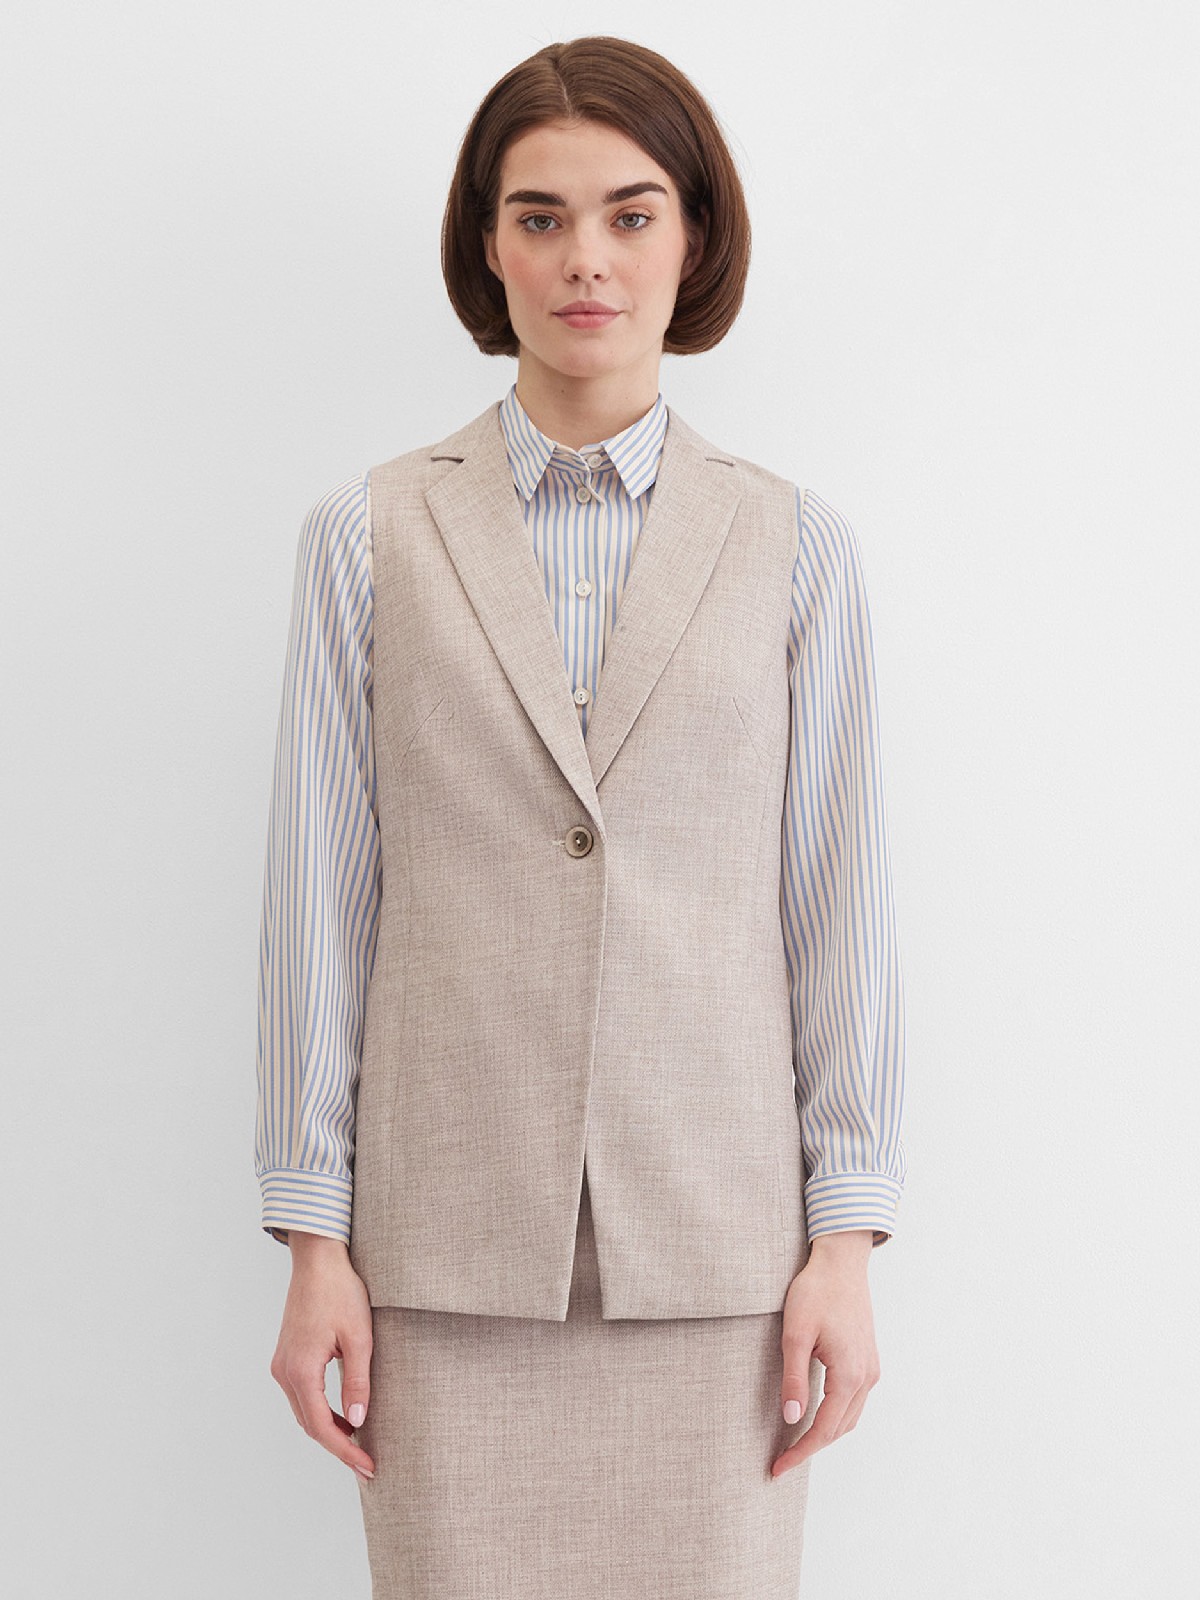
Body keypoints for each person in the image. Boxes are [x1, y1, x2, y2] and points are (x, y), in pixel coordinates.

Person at [255, 34, 907, 1599]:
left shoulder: (798, 548)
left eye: (630, 213)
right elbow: (319, 905)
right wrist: (313, 1239)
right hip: (445, 1259)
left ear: (694, 238)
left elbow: (838, 907)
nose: (585, 261)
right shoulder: (367, 535)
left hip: (719, 1263)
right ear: (487, 245)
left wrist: (846, 1241)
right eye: (538, 217)